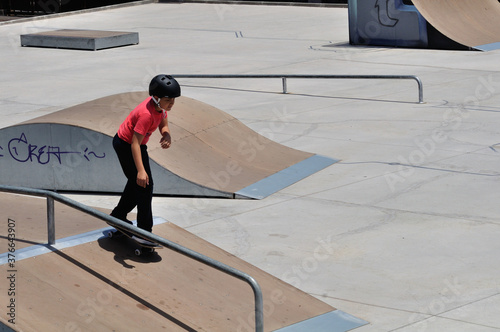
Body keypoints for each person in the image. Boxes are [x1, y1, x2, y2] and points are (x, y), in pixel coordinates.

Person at [110, 74, 181, 245]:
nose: (171, 104)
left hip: (137, 145)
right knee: (143, 185)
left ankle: (118, 216)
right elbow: (135, 144)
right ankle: (144, 232)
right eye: (168, 100)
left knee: (139, 184)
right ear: (156, 98)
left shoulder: (161, 108)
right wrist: (141, 171)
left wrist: (167, 135)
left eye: (173, 100)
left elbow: (164, 124)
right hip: (125, 145)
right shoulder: (146, 114)